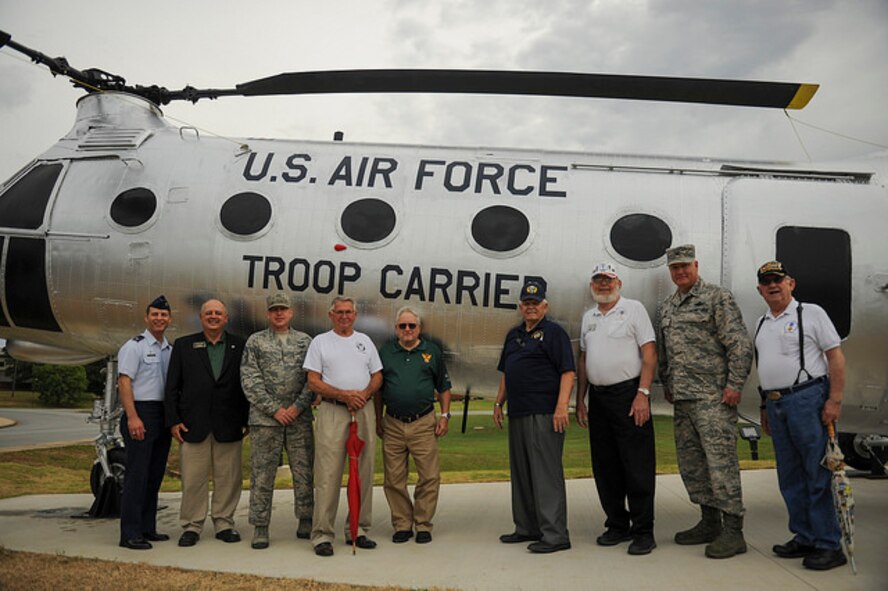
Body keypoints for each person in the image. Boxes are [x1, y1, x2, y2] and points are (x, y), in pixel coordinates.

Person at [656, 244, 753, 559]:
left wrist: (734, 385)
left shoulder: (716, 297)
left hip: (714, 398)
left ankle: (733, 531)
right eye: (675, 268)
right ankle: (708, 522)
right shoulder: (668, 306)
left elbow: (739, 343)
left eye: (685, 266)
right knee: (693, 466)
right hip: (683, 399)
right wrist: (669, 383)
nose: (680, 272)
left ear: (695, 265)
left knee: (721, 464)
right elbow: (665, 351)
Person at [753, 260, 847, 570]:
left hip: (807, 399)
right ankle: (804, 536)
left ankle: (828, 545)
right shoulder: (762, 322)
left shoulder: (811, 313)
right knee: (790, 476)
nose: (773, 285)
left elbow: (835, 357)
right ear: (760, 289)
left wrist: (834, 399)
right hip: (777, 404)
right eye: (766, 282)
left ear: (791, 283)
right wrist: (766, 406)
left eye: (778, 279)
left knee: (817, 473)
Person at [575, 263, 657, 555]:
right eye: (597, 280)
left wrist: (643, 394)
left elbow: (649, 354)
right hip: (598, 399)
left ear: (618, 282)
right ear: (592, 285)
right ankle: (617, 525)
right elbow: (584, 361)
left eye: (608, 280)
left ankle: (643, 531)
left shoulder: (633, 309)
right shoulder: (589, 317)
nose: (603, 285)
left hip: (629, 396)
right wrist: (580, 400)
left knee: (637, 466)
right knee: (606, 466)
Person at [494, 280, 575, 554]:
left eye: (535, 303)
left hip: (544, 412)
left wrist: (562, 406)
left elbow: (568, 371)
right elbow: (507, 371)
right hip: (518, 411)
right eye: (526, 303)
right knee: (523, 473)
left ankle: (554, 535)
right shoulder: (514, 335)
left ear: (545, 306)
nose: (531, 307)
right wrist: (498, 402)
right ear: (520, 307)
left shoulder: (554, 333)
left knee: (545, 475)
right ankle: (527, 527)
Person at [165, 298, 249, 547]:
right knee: (193, 479)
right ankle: (192, 525)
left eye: (218, 313)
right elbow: (171, 388)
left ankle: (224, 522)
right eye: (208, 313)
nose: (213, 316)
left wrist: (246, 419)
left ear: (226, 318)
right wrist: (173, 421)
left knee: (229, 478)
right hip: (193, 425)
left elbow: (246, 386)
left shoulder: (239, 346)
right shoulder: (183, 346)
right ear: (201, 318)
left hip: (229, 423)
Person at [303, 296, 383, 557]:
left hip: (363, 410)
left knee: (363, 471)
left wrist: (363, 394)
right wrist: (343, 395)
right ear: (331, 315)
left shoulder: (365, 341)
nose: (344, 316)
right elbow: (313, 381)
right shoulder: (320, 342)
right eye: (339, 312)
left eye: (349, 312)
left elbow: (377, 375)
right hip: (332, 411)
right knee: (328, 473)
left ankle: (358, 530)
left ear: (355, 315)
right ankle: (322, 534)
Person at [240, 293, 315, 550]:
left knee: (304, 472)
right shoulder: (256, 342)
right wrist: (275, 410)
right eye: (274, 310)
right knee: (262, 474)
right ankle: (260, 526)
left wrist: (296, 407)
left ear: (291, 312)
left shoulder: (305, 342)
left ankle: (306, 519)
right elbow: (250, 380)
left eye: (283, 309)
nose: (279, 313)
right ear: (268, 314)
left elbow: (312, 380)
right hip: (265, 421)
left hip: (299, 419)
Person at [376, 307, 452, 544]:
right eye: (402, 326)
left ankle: (423, 524)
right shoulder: (386, 352)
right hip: (394, 423)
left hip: (423, 422)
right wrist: (378, 419)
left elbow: (443, 387)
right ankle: (402, 525)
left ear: (419, 328)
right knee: (393, 478)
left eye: (412, 326)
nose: (407, 330)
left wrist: (445, 416)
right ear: (396, 328)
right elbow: (378, 391)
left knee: (429, 476)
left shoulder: (432, 351)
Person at [117, 295, 173, 550]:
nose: (159, 319)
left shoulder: (169, 349)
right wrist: (132, 417)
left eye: (163, 315)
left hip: (162, 414)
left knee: (154, 475)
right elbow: (124, 381)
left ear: (169, 319)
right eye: (155, 315)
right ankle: (129, 533)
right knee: (137, 475)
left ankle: (147, 528)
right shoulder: (134, 346)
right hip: (140, 411)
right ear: (146, 317)